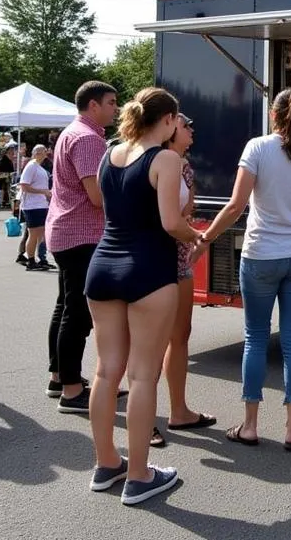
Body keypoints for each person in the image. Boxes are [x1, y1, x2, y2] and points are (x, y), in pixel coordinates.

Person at [85, 87, 207, 506]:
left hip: (103, 267)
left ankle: (106, 464)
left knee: (105, 373)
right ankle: (139, 475)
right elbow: (171, 221)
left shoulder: (109, 153)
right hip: (148, 271)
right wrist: (197, 235)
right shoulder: (166, 159)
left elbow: (106, 205)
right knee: (141, 374)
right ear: (170, 119)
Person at [198, 87, 291, 450]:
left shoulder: (256, 148)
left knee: (256, 338)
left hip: (260, 255)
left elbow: (235, 206)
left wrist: (205, 239)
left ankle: (250, 426)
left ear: (274, 115)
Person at [45, 82, 119, 409]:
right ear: (93, 105)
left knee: (66, 307)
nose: (116, 109)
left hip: (65, 231)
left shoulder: (72, 132)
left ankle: (60, 377)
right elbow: (97, 196)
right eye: (111, 102)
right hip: (82, 235)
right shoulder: (89, 139)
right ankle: (73, 391)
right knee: (78, 314)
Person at [157, 113, 216, 440]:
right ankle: (147, 421)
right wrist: (196, 236)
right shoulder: (152, 162)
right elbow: (167, 217)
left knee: (181, 334)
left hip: (179, 255)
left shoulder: (185, 167)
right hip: (154, 257)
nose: (192, 129)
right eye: (185, 125)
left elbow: (186, 210)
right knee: (150, 341)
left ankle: (179, 411)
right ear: (168, 130)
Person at [19, 144, 52, 271]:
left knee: (41, 233)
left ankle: (41, 259)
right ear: (38, 153)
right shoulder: (31, 166)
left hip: (40, 204)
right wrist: (43, 192)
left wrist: (46, 194)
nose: (46, 153)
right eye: (44, 151)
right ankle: (31, 261)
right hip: (32, 206)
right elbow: (24, 186)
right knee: (33, 234)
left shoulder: (38, 167)